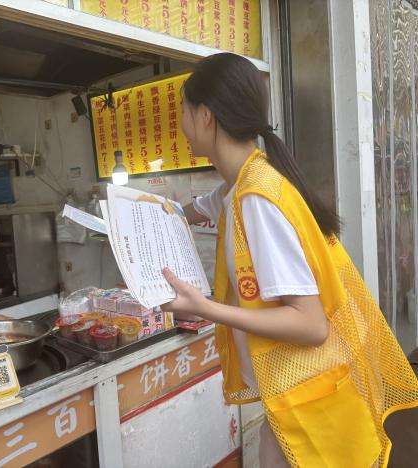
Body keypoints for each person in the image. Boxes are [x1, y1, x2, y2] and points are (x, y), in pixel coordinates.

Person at [161, 53, 418, 467]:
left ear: (206, 116)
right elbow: (201, 206)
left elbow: (310, 324)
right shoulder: (248, 180)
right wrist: (153, 212)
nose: (182, 126)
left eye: (184, 113)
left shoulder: (257, 199)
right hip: (300, 400)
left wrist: (207, 308)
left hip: (314, 408)